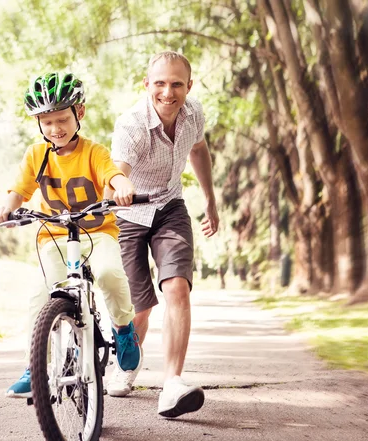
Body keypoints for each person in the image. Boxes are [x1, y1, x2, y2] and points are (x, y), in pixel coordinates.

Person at [0, 72, 142, 398]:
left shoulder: (93, 152)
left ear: (80, 114)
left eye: (62, 119)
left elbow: (112, 174)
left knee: (109, 273)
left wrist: (123, 186)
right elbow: (18, 190)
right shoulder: (36, 155)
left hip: (96, 232)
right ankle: (37, 367)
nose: (55, 128)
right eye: (46, 122)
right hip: (55, 238)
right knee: (40, 296)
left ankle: (124, 329)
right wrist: (6, 206)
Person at [106, 52, 219, 418]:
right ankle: (126, 366)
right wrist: (119, 185)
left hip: (170, 208)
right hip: (129, 215)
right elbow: (117, 169)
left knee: (176, 288)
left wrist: (210, 202)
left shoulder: (193, 114)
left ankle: (172, 383)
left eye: (176, 84)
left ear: (189, 85)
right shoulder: (131, 125)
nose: (168, 92)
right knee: (141, 307)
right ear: (146, 85)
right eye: (160, 83)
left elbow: (199, 150)